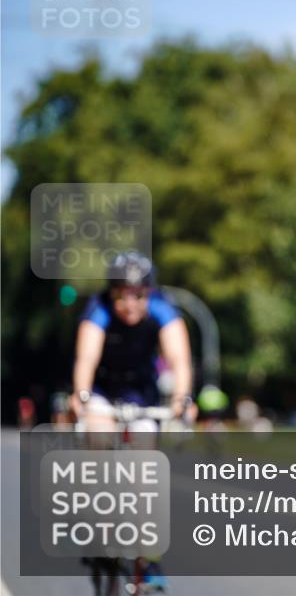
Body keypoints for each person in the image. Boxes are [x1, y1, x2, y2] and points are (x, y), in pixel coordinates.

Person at [71, 250, 193, 592]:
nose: (129, 304)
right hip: (102, 389)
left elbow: (179, 360)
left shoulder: (163, 309)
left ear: (148, 293)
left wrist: (182, 399)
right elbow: (85, 359)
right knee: (98, 434)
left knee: (145, 467)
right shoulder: (97, 310)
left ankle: (147, 558)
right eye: (121, 295)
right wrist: (81, 396)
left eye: (138, 295)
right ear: (111, 293)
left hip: (141, 393)